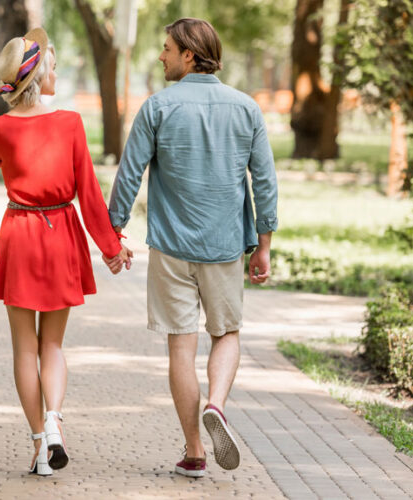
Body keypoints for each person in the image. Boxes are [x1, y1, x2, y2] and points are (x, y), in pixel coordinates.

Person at [105, 18, 278, 478]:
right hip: (225, 247)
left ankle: (195, 450)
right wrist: (264, 245)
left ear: (188, 54)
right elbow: (264, 181)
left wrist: (113, 232)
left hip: (171, 248)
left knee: (181, 348)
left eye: (167, 48)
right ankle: (215, 404)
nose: (160, 56)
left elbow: (130, 173)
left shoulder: (157, 107)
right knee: (226, 334)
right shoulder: (246, 109)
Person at [0, 28, 133, 476]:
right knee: (52, 345)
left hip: (19, 234)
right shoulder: (70, 123)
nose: (56, 73)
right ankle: (55, 420)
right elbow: (89, 193)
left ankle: (40, 445)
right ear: (39, 75)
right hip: (60, 232)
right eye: (53, 67)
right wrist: (111, 247)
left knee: (24, 349)